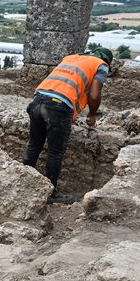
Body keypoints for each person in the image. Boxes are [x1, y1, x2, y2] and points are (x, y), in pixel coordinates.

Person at [21, 46, 114, 204]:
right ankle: (50, 193)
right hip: (58, 106)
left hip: (37, 100)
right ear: (106, 60)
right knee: (55, 152)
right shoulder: (101, 65)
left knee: (34, 145)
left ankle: (20, 181)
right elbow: (94, 94)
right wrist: (92, 115)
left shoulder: (71, 58)